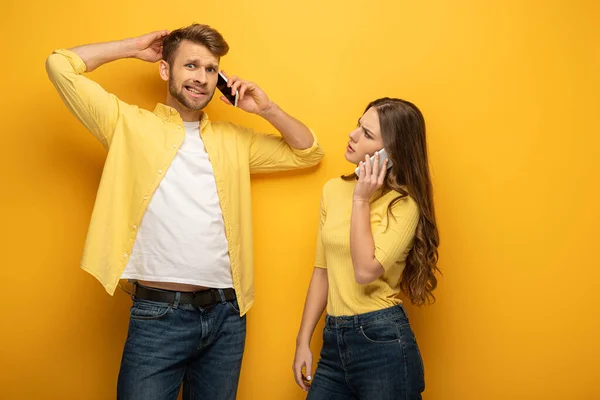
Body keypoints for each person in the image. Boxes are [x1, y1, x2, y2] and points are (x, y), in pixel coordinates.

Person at [46, 23, 324, 400]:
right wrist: (133, 47)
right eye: (190, 66)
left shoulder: (234, 141)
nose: (202, 78)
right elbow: (59, 65)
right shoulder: (128, 124)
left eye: (211, 69)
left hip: (227, 317)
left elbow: (307, 151)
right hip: (159, 315)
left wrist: (267, 109)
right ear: (166, 69)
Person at [292, 98, 439, 399]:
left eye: (367, 135)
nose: (352, 135)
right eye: (359, 125)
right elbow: (322, 272)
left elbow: (364, 271)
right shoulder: (333, 191)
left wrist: (361, 199)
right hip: (333, 341)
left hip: (382, 341)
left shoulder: (404, 205)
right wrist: (302, 340)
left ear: (392, 153)